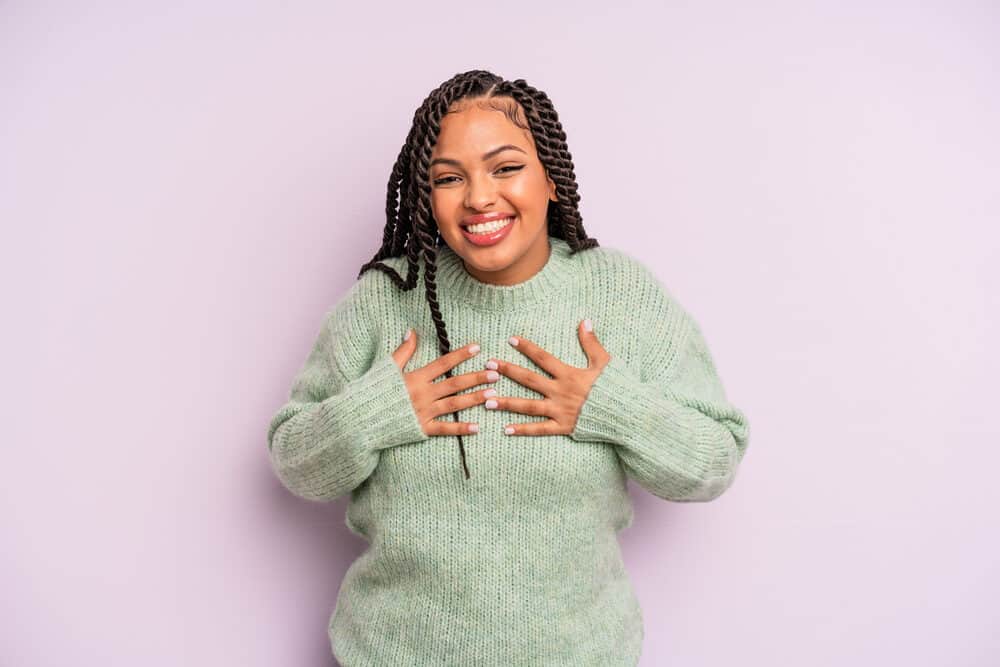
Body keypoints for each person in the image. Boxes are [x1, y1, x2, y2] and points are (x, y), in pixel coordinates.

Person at [266, 69, 750, 666]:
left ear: (550, 177)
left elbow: (713, 462)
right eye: (449, 177)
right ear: (428, 195)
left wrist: (611, 408)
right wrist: (379, 412)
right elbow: (295, 463)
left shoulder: (623, 296)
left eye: (506, 167)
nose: (478, 197)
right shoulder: (384, 299)